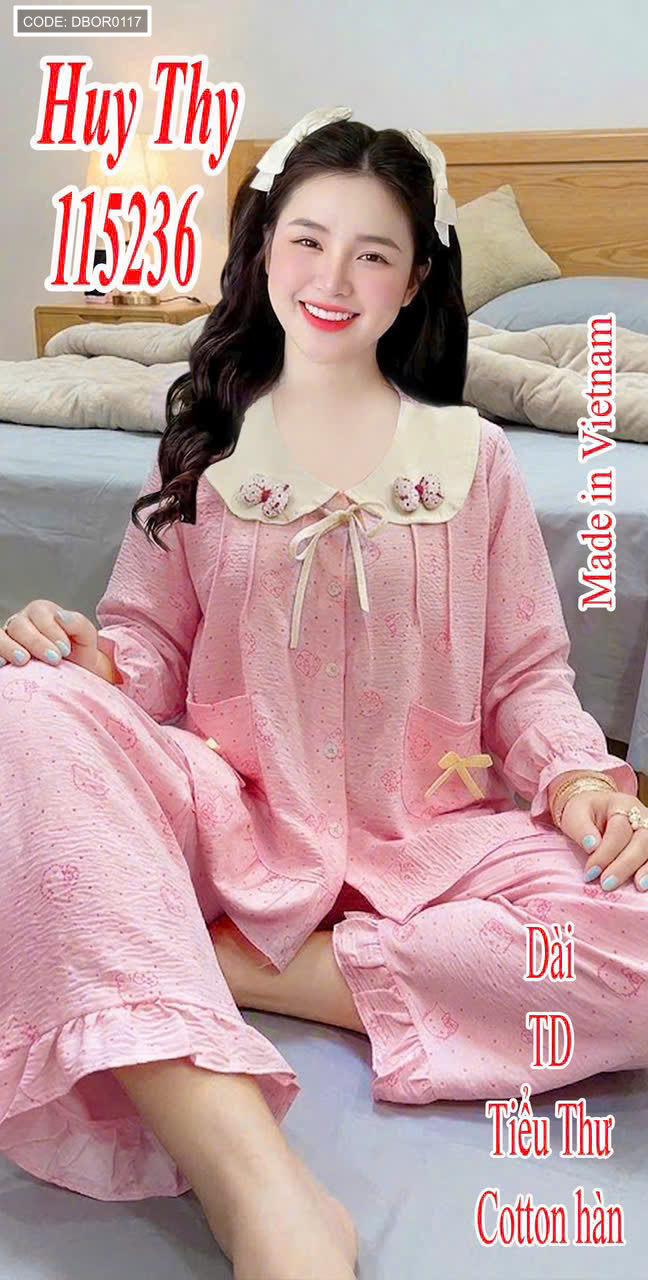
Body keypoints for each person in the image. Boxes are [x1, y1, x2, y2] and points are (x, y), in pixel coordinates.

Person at [1, 105, 647, 1278]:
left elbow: (526, 678)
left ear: (415, 282)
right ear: (264, 254)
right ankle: (257, 1187)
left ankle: (230, 961)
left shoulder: (477, 459)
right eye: (308, 241)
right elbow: (146, 649)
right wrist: (85, 659)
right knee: (25, 706)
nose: (333, 280)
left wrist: (577, 780)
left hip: (433, 831)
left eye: (373, 252)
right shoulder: (204, 449)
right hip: (231, 818)